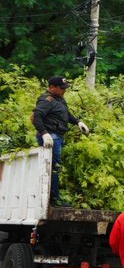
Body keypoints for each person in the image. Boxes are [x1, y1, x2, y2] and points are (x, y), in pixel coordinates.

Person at [31, 75, 88, 206]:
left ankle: (54, 197)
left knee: (55, 167)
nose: (64, 90)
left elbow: (65, 114)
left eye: (65, 87)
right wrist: (44, 134)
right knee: (53, 168)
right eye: (62, 88)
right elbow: (36, 116)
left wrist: (78, 122)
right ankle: (53, 199)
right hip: (51, 136)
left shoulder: (59, 99)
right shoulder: (47, 100)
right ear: (52, 88)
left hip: (58, 136)